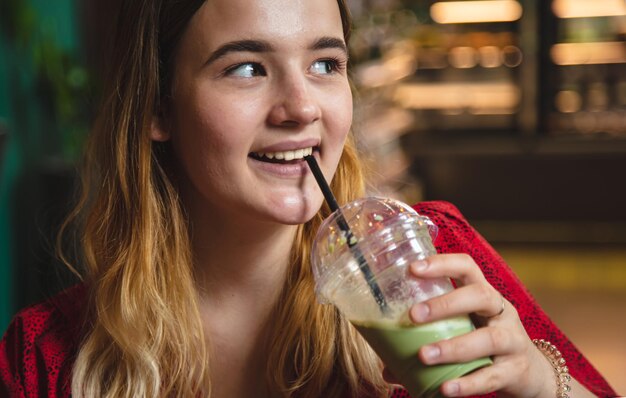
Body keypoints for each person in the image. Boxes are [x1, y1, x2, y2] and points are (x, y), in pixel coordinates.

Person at [0, 0, 617, 397]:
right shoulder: (46, 358)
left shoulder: (433, 257)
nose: (302, 108)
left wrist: (541, 384)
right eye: (246, 68)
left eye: (326, 63)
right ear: (159, 108)